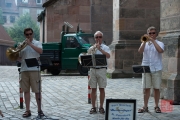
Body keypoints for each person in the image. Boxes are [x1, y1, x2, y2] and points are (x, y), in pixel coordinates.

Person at [138, 26, 164, 113]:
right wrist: (145, 42)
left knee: (156, 88)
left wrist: (153, 41)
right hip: (146, 68)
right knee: (146, 88)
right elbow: (140, 51)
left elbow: (160, 50)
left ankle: (156, 106)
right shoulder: (144, 43)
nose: (151, 35)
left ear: (156, 34)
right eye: (150, 33)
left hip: (156, 68)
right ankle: (145, 106)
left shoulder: (160, 43)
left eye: (153, 33)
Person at [18, 28, 44, 117]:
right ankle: (27, 110)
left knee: (37, 91)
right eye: (27, 34)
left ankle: (39, 110)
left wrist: (30, 44)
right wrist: (15, 55)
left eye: (30, 34)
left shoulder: (37, 43)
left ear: (33, 34)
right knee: (26, 91)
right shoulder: (21, 45)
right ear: (25, 35)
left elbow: (40, 51)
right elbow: (19, 58)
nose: (29, 36)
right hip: (24, 70)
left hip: (34, 70)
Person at [88, 31, 110, 114]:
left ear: (102, 38)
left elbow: (108, 56)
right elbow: (88, 56)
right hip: (93, 69)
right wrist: (94, 48)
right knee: (93, 89)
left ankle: (101, 106)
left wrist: (100, 49)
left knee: (102, 88)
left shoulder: (105, 47)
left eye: (100, 37)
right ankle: (93, 107)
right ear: (94, 38)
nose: (98, 38)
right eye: (96, 37)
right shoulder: (91, 48)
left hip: (101, 69)